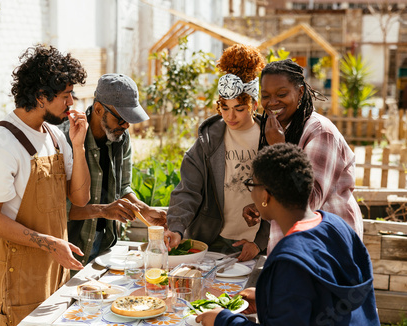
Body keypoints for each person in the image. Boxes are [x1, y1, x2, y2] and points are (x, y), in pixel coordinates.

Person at [196, 143, 381, 326]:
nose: (251, 193)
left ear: (265, 195)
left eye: (252, 185)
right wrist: (269, 299)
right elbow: (325, 298)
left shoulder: (288, 260)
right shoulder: (337, 226)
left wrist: (222, 322)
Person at [0, 45, 91, 326]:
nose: (71, 103)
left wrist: (78, 146)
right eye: (65, 96)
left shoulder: (55, 136)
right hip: (17, 282)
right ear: (41, 97)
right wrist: (51, 243)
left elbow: (80, 197)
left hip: (54, 274)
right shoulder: (1, 142)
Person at [164, 44, 270, 262]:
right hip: (212, 239)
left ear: (254, 104)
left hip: (255, 243)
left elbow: (281, 196)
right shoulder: (208, 140)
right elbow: (188, 190)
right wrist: (176, 228)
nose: (230, 116)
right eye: (224, 107)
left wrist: (259, 243)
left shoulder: (270, 140)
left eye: (239, 109)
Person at [250, 58, 363, 253]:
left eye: (282, 94)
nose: (272, 102)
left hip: (326, 248)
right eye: (266, 95)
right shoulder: (280, 129)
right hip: (298, 246)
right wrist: (262, 205)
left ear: (300, 92)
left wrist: (279, 148)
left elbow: (307, 202)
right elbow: (281, 191)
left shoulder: (320, 133)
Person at [60, 73, 167, 265]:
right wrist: (103, 210)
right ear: (99, 109)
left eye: (129, 119)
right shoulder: (66, 138)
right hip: (69, 247)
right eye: (121, 119)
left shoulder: (121, 139)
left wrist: (144, 209)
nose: (126, 125)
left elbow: (123, 188)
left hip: (104, 245)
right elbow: (58, 208)